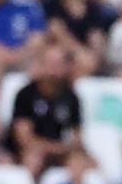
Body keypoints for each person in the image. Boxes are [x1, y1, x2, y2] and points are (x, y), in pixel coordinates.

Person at [5, 44, 81, 175]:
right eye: (49, 63)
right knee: (33, 159)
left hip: (60, 151)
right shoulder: (25, 94)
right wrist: (55, 148)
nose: (53, 68)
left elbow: (77, 136)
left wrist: (67, 149)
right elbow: (24, 139)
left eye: (58, 63)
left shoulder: (71, 97)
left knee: (86, 163)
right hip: (28, 151)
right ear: (40, 64)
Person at [40, 0, 114, 75]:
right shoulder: (49, 4)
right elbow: (54, 33)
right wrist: (80, 53)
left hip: (87, 63)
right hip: (58, 61)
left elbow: (97, 40)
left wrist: (89, 56)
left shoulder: (94, 8)